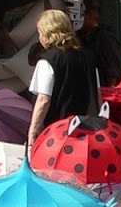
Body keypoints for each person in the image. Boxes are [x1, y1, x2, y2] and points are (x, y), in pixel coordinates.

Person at [26, 9, 102, 145]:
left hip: (58, 132)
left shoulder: (47, 61)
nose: (40, 38)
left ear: (48, 33)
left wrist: (32, 133)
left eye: (40, 33)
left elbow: (43, 100)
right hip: (88, 130)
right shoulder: (89, 57)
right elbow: (97, 95)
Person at [78, 0, 121, 86]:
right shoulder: (81, 35)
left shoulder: (105, 37)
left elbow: (113, 66)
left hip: (102, 85)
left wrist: (111, 88)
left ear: (89, 15)